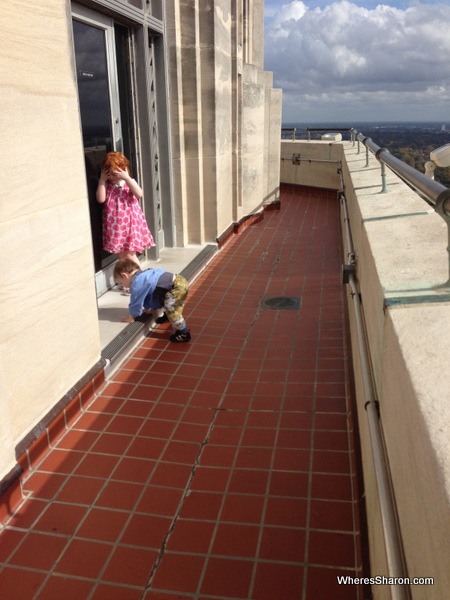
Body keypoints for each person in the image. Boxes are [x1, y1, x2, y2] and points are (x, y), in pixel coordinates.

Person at [96, 151, 154, 266]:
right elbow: (101, 199)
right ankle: (128, 280)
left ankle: (139, 279)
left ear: (124, 169)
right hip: (116, 226)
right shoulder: (107, 185)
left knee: (130, 255)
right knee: (122, 256)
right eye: (111, 174)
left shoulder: (129, 183)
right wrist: (102, 179)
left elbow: (139, 194)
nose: (115, 177)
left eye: (118, 173)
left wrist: (127, 178)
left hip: (130, 225)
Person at [113, 258, 191, 343]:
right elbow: (153, 293)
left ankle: (184, 334)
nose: (122, 285)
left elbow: (136, 302)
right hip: (179, 281)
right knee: (165, 299)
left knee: (172, 311)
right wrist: (150, 308)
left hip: (176, 288)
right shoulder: (144, 274)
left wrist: (132, 316)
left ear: (124, 276)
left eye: (121, 282)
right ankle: (167, 316)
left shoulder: (137, 283)